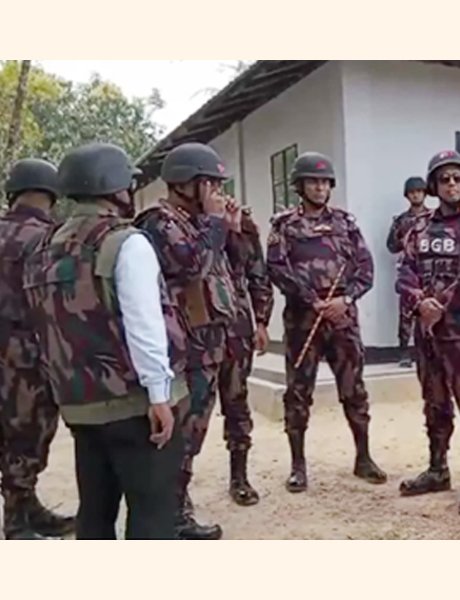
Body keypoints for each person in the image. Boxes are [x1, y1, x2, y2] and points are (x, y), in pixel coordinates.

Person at [22, 142, 189, 539]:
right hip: (133, 404)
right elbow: (143, 322)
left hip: (80, 404)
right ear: (115, 188)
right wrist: (159, 394)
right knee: (152, 514)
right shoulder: (125, 243)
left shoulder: (43, 247)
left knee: (95, 511)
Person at [134, 142, 241, 540]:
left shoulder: (195, 222)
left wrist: (230, 230)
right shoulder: (159, 222)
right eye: (209, 183)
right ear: (186, 183)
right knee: (180, 435)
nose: (216, 191)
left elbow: (231, 269)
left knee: (193, 435)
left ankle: (176, 506)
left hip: (209, 346)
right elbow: (191, 263)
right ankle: (171, 515)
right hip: (183, 352)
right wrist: (215, 224)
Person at [266, 151, 386, 493]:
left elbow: (366, 269)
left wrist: (343, 300)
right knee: (298, 393)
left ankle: (363, 457)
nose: (319, 188)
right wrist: (312, 300)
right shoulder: (284, 225)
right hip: (303, 322)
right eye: (312, 182)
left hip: (343, 322)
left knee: (354, 391)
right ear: (299, 186)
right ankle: (298, 466)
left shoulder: (346, 224)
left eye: (324, 182)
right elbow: (276, 268)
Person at [396, 150, 460, 515]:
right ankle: (438, 469)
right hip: (428, 334)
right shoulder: (418, 228)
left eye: (457, 178)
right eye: (444, 179)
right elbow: (405, 271)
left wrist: (444, 304)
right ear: (433, 186)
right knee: (435, 405)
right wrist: (420, 302)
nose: (451, 184)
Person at [0, 159, 76, 540]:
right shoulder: (51, 238)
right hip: (30, 352)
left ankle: (27, 507)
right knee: (29, 432)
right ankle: (15, 519)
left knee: (11, 429)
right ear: (51, 194)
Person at [220, 205, 273, 506]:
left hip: (237, 331)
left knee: (237, 404)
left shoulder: (243, 222)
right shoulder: (180, 225)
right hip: (195, 334)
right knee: (189, 415)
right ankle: (180, 490)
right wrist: (220, 228)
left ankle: (239, 477)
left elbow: (258, 274)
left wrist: (262, 321)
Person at [387, 177, 430, 368]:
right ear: (407, 196)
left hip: (430, 269)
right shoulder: (401, 221)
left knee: (430, 310)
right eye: (412, 192)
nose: (416, 195)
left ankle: (430, 350)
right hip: (409, 271)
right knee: (406, 314)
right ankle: (404, 351)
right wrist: (403, 239)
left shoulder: (434, 217)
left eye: (419, 191)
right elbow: (391, 246)